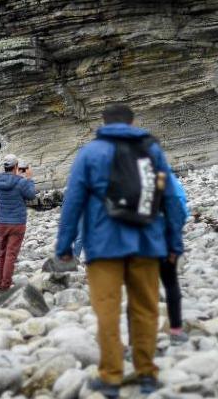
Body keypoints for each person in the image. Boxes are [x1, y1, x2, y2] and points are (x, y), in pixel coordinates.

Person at [55, 104, 185, 398]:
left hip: (103, 246)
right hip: (148, 243)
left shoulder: (89, 153)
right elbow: (170, 198)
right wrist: (174, 241)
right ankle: (146, 373)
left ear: (103, 122)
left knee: (107, 312)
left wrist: (64, 247)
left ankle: (112, 377)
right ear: (131, 122)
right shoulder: (151, 150)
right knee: (145, 309)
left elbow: (73, 201)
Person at [0, 154, 37, 291]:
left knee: (2, 253)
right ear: (17, 167)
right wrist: (28, 178)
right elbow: (31, 195)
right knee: (11, 254)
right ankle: (6, 284)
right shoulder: (21, 182)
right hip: (17, 223)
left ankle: (0, 282)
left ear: (5, 167)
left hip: (2, 222)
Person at [163, 171, 190, 344]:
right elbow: (178, 205)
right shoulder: (162, 175)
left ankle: (136, 342)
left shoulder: (126, 176)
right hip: (164, 239)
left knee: (138, 292)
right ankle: (176, 330)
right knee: (171, 283)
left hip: (140, 242)